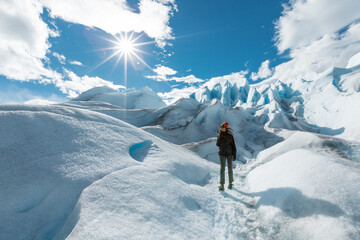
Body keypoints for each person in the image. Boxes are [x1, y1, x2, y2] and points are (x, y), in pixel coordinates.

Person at [216, 122, 236, 191]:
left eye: (223, 127)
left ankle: (230, 183)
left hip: (229, 154)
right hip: (222, 154)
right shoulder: (220, 135)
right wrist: (220, 137)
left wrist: (234, 154)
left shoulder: (230, 136)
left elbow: (233, 145)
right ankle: (222, 185)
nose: (221, 128)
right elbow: (217, 144)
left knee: (230, 169)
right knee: (222, 169)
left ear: (226, 128)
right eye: (221, 127)